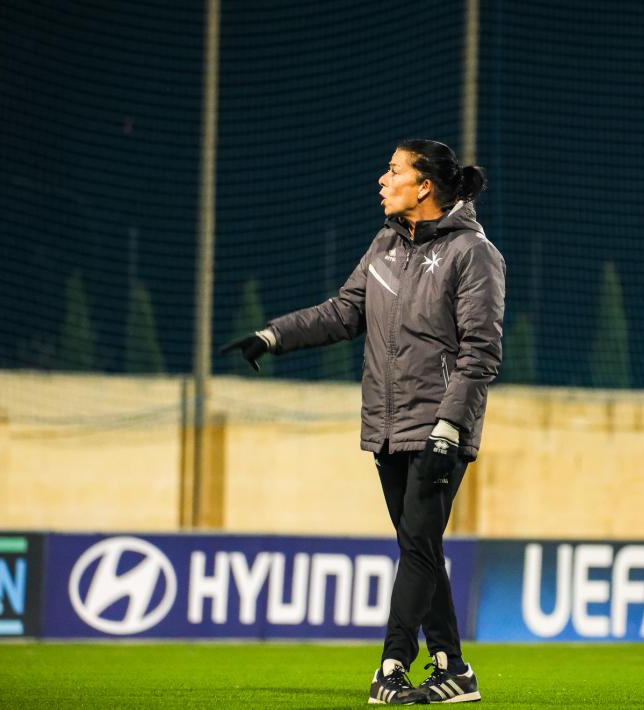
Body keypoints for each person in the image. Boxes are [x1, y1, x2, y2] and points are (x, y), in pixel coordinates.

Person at [222, 139, 505, 705]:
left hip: (437, 428)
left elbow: (481, 352)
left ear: (424, 186)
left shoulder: (474, 253)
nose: (382, 179)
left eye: (394, 170)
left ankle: (392, 669)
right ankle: (453, 669)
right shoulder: (385, 245)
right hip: (386, 424)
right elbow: (343, 312)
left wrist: (449, 427)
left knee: (419, 546)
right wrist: (274, 335)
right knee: (418, 547)